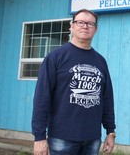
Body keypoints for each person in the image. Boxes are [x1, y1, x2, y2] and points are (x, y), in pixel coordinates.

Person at [32, 9, 116, 155]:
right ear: (71, 26)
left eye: (90, 23)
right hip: (62, 137)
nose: (85, 26)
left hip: (92, 138)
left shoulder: (100, 61)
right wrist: (39, 136)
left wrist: (110, 131)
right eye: (80, 22)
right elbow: (42, 98)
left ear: (95, 29)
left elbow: (107, 98)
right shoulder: (55, 57)